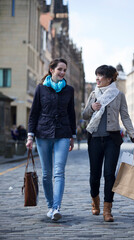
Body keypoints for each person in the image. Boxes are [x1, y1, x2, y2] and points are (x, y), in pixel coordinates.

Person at [82, 65, 134, 222]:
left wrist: (133, 135)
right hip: (94, 139)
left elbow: (125, 116)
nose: (97, 79)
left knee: (109, 174)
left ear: (109, 79)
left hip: (112, 140)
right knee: (95, 176)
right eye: (96, 76)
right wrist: (92, 108)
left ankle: (107, 210)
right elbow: (84, 114)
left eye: (100, 76)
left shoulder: (119, 95)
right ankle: (95, 201)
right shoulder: (93, 94)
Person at [26, 58, 76, 221]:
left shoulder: (69, 90)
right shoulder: (41, 88)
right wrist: (30, 136)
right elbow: (33, 113)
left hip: (62, 132)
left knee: (59, 172)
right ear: (52, 70)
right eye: (60, 69)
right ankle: (49, 205)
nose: (62, 72)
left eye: (64, 70)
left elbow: (71, 114)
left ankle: (56, 208)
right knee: (47, 174)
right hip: (43, 133)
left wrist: (73, 135)